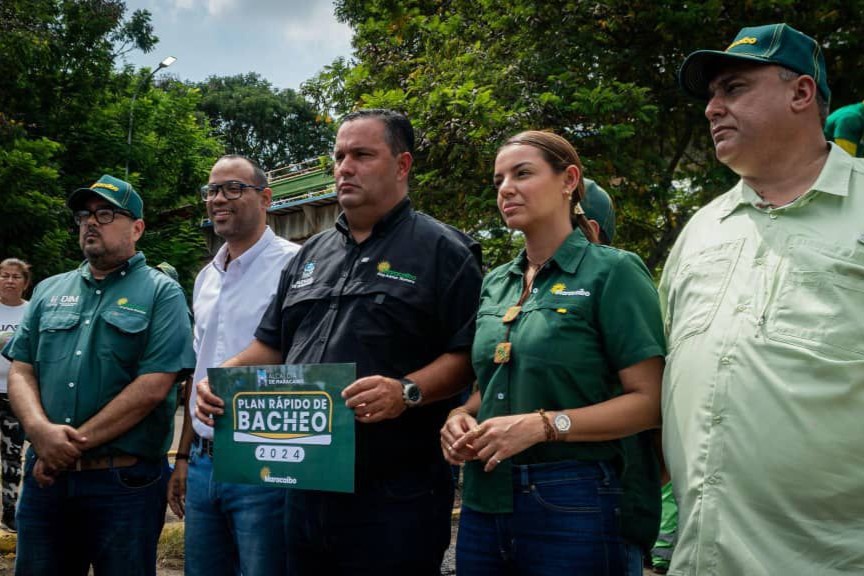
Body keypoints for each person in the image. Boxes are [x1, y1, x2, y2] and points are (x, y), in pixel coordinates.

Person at [196, 109, 483, 575]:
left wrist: (406, 391)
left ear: (402, 165)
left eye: (362, 155)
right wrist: (221, 379)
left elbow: (468, 355)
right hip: (305, 486)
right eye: (339, 156)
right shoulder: (310, 254)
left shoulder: (444, 250)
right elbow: (272, 345)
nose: (345, 167)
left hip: (395, 492)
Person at [667, 23, 864, 575]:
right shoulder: (701, 229)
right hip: (700, 561)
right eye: (710, 95)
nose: (711, 109)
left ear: (801, 93)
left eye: (732, 89)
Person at [441, 130, 665, 575]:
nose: (506, 188)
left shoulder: (613, 271)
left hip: (574, 496)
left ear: (569, 181)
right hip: (486, 500)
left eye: (523, 173)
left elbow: (650, 402)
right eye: (499, 179)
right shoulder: (496, 283)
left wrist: (545, 426)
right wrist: (458, 419)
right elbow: (488, 387)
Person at [2, 174, 195, 576]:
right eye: (84, 215)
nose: (91, 222)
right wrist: (41, 432)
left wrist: (66, 447)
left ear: (137, 228)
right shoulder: (49, 291)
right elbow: (21, 369)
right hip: (47, 484)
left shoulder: (162, 293)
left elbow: (153, 387)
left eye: (106, 213)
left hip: (123, 484)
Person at [171, 155, 299, 576]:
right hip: (206, 461)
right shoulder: (206, 277)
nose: (218, 198)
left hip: (266, 455)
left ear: (265, 198)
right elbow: (198, 372)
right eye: (212, 190)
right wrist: (185, 457)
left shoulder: (297, 266)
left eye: (232, 188)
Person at [581, 180, 664, 576]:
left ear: (591, 229)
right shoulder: (520, 285)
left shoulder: (617, 276)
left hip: (609, 502)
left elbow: (653, 400)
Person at [0, 258, 31, 532]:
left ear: (25, 282)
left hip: (15, 395)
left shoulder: (32, 311)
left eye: (15, 277)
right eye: (4, 276)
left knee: (12, 457)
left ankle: (10, 511)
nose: (9, 281)